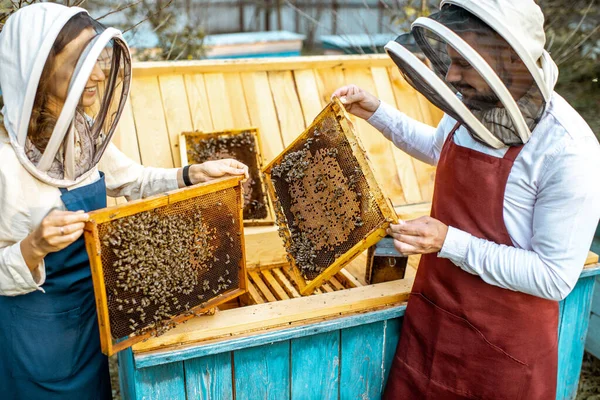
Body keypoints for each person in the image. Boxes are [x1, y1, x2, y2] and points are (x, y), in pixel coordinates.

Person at [334, 1, 600, 399]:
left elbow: (553, 278)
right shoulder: (471, 106)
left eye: (465, 62)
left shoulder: (568, 150)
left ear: (511, 58)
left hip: (503, 354)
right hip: (432, 322)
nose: (452, 76)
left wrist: (448, 241)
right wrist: (376, 112)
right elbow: (436, 147)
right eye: (451, 60)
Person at [0, 3, 248, 399]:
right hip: (33, 333)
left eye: (97, 57)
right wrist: (32, 248)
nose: (98, 73)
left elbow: (132, 180)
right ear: (37, 70)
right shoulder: (3, 161)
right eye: (82, 60)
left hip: (88, 320)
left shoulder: (78, 130)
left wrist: (190, 174)